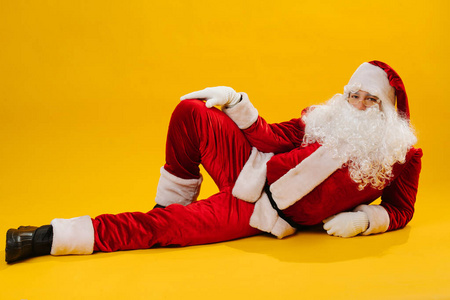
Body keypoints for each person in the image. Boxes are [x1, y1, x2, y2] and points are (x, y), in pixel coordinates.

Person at [5, 60, 422, 264]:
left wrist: (366, 220)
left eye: (371, 100)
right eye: (355, 95)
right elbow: (271, 138)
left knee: (165, 232)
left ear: (388, 109)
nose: (359, 105)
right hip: (249, 168)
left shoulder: (401, 154)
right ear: (345, 94)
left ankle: (49, 237)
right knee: (193, 112)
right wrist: (237, 102)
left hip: (259, 212)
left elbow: (401, 209)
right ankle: (170, 204)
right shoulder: (326, 117)